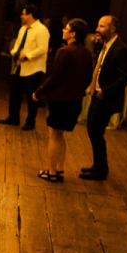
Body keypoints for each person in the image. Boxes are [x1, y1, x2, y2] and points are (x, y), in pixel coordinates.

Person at [33, 18, 94, 182]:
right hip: (75, 101)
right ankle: (59, 170)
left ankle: (51, 172)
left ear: (73, 34)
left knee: (54, 135)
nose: (63, 30)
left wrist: (39, 92)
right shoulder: (86, 53)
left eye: (66, 28)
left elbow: (53, 78)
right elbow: (88, 78)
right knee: (60, 136)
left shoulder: (65, 51)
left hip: (60, 100)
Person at [81, 15, 127, 180]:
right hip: (97, 95)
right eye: (98, 25)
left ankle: (101, 169)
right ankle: (98, 166)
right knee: (92, 130)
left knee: (95, 131)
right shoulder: (104, 45)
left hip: (106, 98)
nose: (97, 29)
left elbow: (126, 77)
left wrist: (106, 91)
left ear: (112, 29)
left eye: (102, 26)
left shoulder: (120, 49)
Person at [0, 4, 49, 131]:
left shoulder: (41, 30)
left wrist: (27, 56)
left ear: (30, 15)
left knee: (31, 96)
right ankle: (13, 118)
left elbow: (43, 48)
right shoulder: (23, 29)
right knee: (14, 91)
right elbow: (18, 44)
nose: (21, 16)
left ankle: (30, 122)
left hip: (34, 68)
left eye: (23, 14)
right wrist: (15, 53)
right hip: (21, 66)